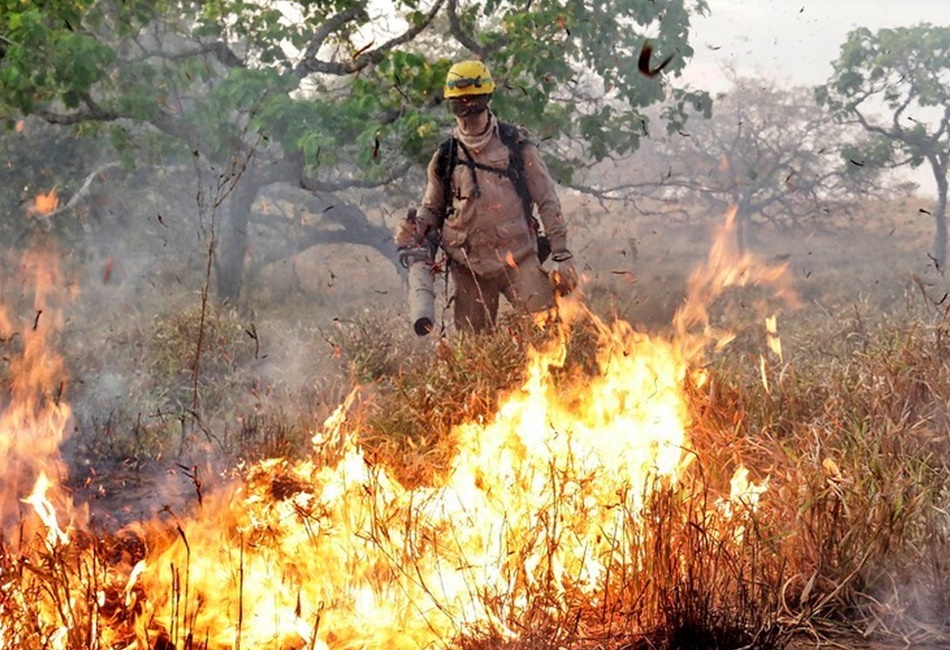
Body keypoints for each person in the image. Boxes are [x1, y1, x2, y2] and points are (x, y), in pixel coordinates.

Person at [395, 59, 578, 334]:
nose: (467, 114)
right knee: (475, 348)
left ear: (488, 99)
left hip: (519, 258)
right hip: (469, 268)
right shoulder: (445, 156)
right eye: (459, 105)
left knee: (549, 333)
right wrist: (413, 231)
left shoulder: (516, 146)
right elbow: (432, 209)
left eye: (474, 103)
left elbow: (547, 200)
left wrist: (562, 255)